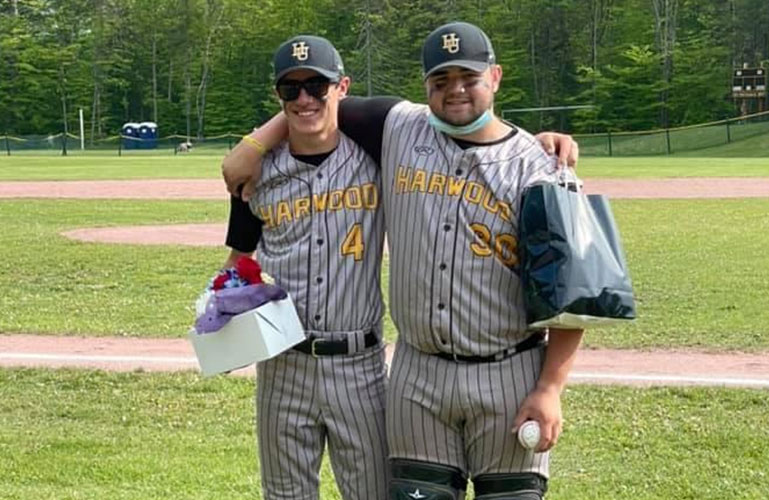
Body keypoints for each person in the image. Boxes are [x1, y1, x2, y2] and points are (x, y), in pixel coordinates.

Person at [224, 22, 584, 499]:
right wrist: (253, 146)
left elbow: (572, 294)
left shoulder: (540, 167)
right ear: (425, 87)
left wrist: (551, 387)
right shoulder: (398, 128)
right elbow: (315, 108)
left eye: (469, 78)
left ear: (495, 77)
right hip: (419, 376)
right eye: (441, 81)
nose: (455, 90)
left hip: (508, 370)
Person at [221, 35, 388, 500]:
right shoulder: (255, 175)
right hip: (281, 365)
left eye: (316, 85)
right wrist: (223, 313)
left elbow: (454, 135)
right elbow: (239, 260)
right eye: (290, 90)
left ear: (342, 87)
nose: (304, 99)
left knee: (373, 491)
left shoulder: (377, 158)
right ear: (278, 97)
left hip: (359, 365)